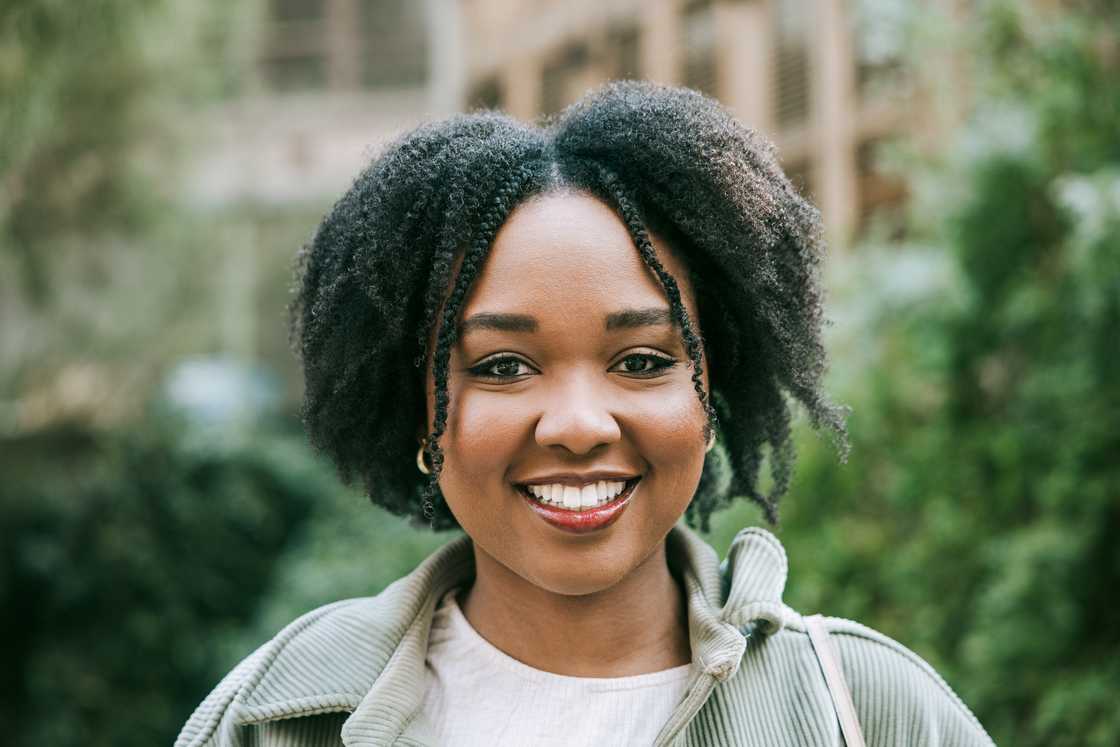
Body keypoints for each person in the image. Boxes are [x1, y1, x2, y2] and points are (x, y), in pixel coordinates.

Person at [176, 82, 993, 746]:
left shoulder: (868, 712)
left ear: (711, 396)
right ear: (422, 412)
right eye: (502, 366)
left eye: (642, 361)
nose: (577, 423)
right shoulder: (273, 719)